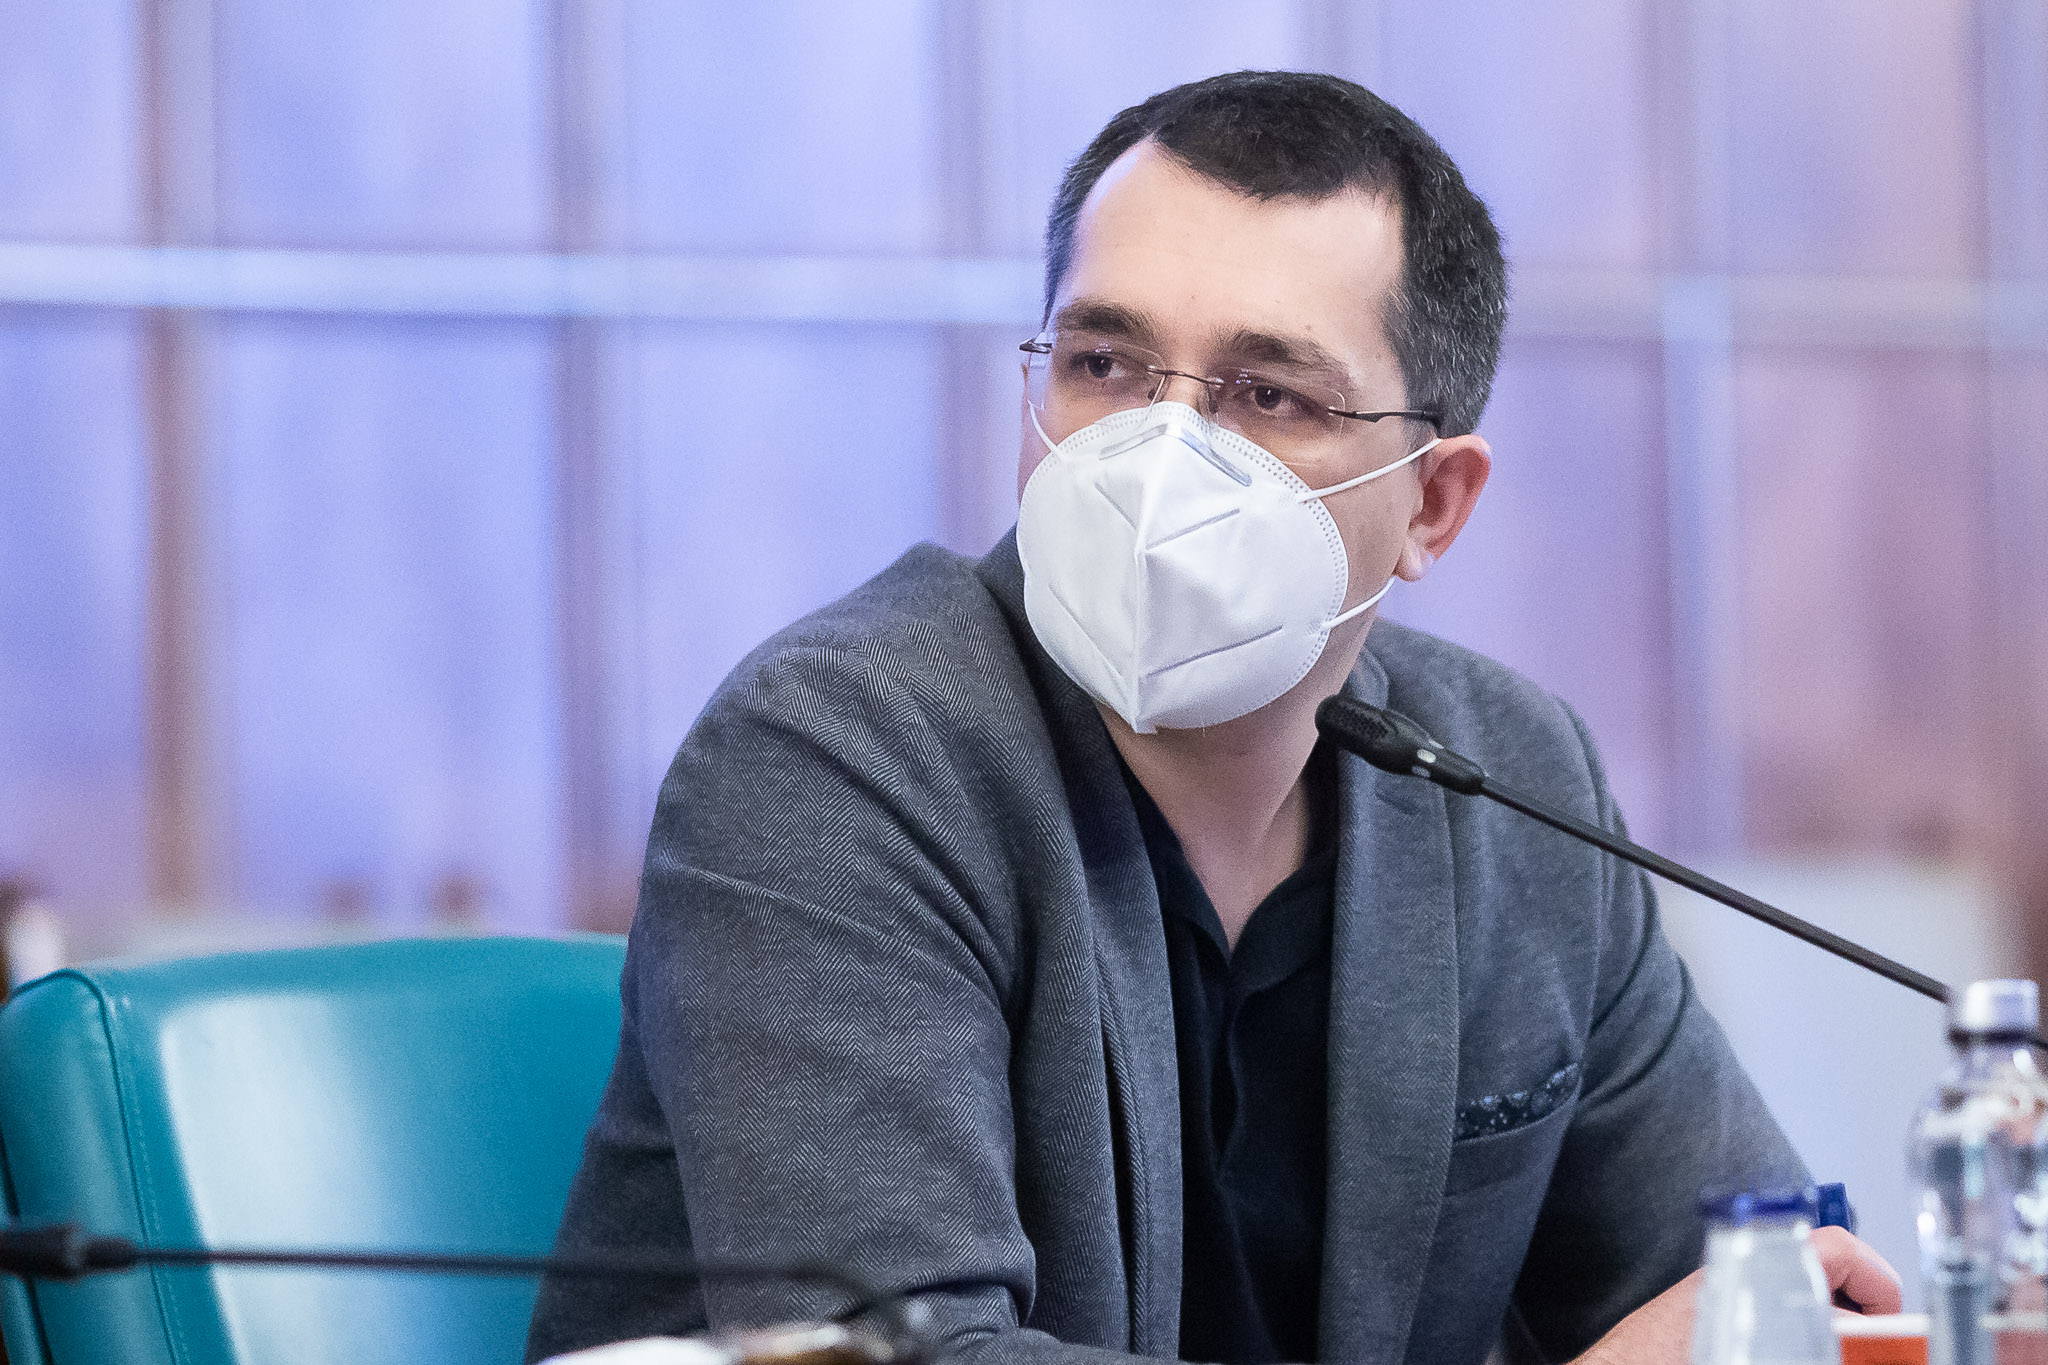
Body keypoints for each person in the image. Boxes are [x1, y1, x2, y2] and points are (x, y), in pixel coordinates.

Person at [526, 71, 1899, 1365]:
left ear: (1432, 504)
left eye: (1267, 394)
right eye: (1105, 363)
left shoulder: (1511, 777)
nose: (1160, 453)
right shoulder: (833, 757)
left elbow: (1774, 1297)